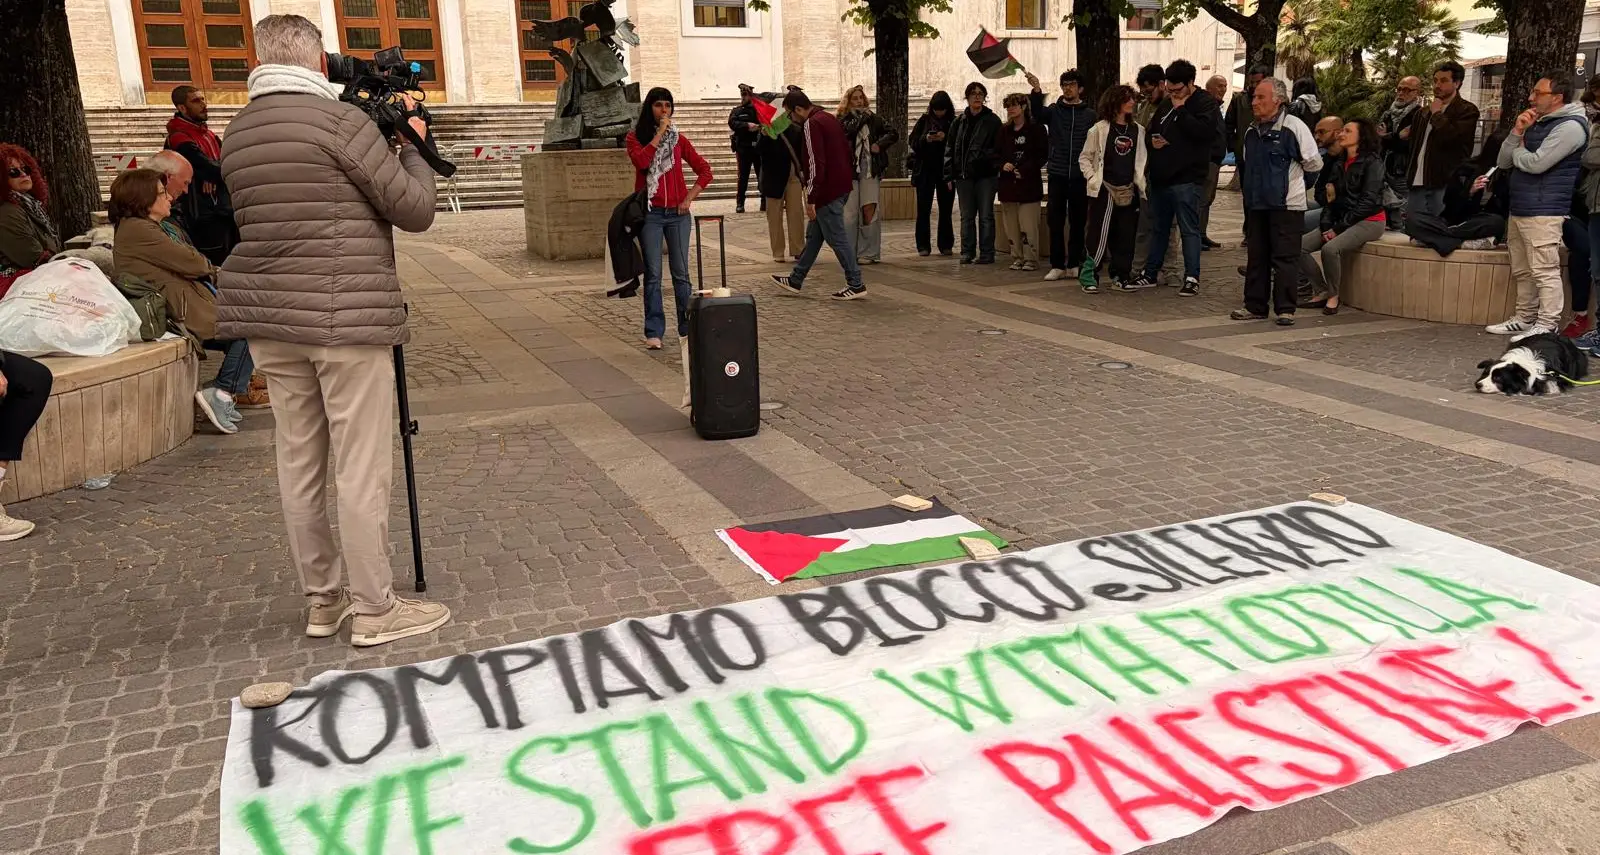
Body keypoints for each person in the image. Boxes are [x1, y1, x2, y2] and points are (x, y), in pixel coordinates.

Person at [215, 14, 449, 646]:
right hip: (345, 318)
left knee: (299, 463)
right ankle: (375, 609)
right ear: (320, 63)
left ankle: (323, 601)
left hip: (272, 319)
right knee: (361, 467)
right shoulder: (339, 123)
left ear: (259, 63)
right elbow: (414, 208)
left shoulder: (237, 133)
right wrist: (412, 144)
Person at [108, 168, 260, 434]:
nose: (169, 197)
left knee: (248, 329)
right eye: (161, 193)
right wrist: (206, 267)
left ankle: (224, 391)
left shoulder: (144, 227)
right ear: (143, 199)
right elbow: (192, 262)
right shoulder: (139, 230)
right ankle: (221, 392)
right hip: (177, 310)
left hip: (184, 302)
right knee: (250, 330)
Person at [1487, 71, 1591, 339]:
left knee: (1544, 271)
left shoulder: (1570, 127)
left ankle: (1547, 323)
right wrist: (1517, 132)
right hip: (1521, 206)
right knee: (1523, 270)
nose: (1531, 97)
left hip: (1545, 210)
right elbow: (1503, 161)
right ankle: (1524, 318)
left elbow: (1537, 164)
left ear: (1557, 97)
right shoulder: (1537, 122)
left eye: (1538, 93)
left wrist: (1520, 150)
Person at [626, 88, 713, 349]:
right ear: (649, 108)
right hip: (651, 214)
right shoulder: (635, 138)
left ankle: (687, 328)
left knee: (681, 273)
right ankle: (654, 331)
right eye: (658, 105)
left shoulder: (679, 140)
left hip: (677, 215)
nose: (664, 110)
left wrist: (689, 198)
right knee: (653, 273)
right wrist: (659, 134)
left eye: (668, 105)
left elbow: (705, 171)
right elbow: (642, 163)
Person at [1234, 77, 1323, 326]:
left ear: (1278, 100)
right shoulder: (1251, 131)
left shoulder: (1294, 127)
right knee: (1257, 257)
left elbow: (1313, 163)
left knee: (1285, 258)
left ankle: (1285, 309)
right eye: (1254, 97)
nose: (1254, 102)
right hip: (1257, 205)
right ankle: (1255, 306)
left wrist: (1295, 188)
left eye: (1260, 97)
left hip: (1286, 206)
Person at [1130, 59, 1219, 297]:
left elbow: (1204, 133)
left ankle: (1192, 277)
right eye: (1170, 90)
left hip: (1187, 178)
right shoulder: (1166, 103)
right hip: (1161, 177)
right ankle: (1150, 272)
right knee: (1159, 228)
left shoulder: (1204, 103)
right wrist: (1154, 141)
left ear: (1190, 83)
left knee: (1189, 229)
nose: (1173, 94)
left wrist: (1181, 110)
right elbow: (1151, 129)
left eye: (1178, 89)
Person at [771, 88, 866, 299]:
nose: (789, 119)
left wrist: (811, 197)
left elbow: (815, 162)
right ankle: (796, 278)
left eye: (789, 114)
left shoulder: (811, 124)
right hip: (840, 185)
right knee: (814, 236)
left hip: (827, 191)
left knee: (837, 238)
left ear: (798, 109)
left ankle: (856, 283)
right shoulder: (828, 118)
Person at [1298, 118, 1387, 315]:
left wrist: (1338, 229)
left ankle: (1333, 296)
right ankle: (1321, 290)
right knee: (1298, 247)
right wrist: (1326, 224)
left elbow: (1368, 202)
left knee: (1330, 249)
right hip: (1341, 218)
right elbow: (1330, 199)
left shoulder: (1373, 162)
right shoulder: (1339, 163)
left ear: (1361, 137)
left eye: (1347, 131)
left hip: (1369, 221)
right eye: (1342, 131)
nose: (1341, 134)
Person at [1025, 69, 1094, 280]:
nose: (1068, 88)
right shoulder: (1054, 111)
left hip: (1080, 175)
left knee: (1078, 221)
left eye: (1072, 84)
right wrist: (1037, 90)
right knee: (1055, 220)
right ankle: (1057, 265)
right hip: (1057, 172)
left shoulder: (1090, 115)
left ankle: (1074, 263)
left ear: (1080, 88)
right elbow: (1037, 114)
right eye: (1064, 85)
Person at [1078, 84, 1146, 294]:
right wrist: (1092, 178)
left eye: (1132, 98)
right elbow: (1085, 158)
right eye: (1127, 99)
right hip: (1104, 188)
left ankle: (1121, 275)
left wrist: (1140, 185)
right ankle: (1089, 275)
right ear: (1115, 102)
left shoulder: (1138, 130)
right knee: (1098, 234)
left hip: (1128, 189)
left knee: (1125, 235)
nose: (1132, 102)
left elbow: (1141, 160)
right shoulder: (1098, 129)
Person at [165, 85, 239, 266]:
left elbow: (227, 161)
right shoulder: (179, 136)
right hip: (201, 214)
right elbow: (207, 167)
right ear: (182, 108)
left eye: (203, 99)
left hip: (221, 208)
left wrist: (214, 176)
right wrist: (211, 174)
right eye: (196, 101)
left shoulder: (208, 135)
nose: (203, 104)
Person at [1405, 61, 1480, 224]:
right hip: (1418, 180)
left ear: (1457, 83)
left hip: (1445, 181)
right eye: (1435, 80)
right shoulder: (1422, 113)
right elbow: (1414, 146)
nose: (1437, 85)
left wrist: (1437, 114)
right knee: (1414, 226)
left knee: (1441, 226)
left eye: (1444, 81)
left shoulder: (1467, 110)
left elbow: (1452, 137)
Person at [837, 86, 898, 265]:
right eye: (855, 99)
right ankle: (848, 252)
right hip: (849, 171)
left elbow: (893, 133)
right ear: (848, 102)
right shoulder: (842, 120)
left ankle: (869, 252)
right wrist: (861, 117)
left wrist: (880, 144)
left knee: (869, 209)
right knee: (849, 213)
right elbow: (848, 132)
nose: (859, 101)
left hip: (870, 169)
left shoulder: (874, 119)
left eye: (861, 98)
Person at [945, 81, 1003, 265]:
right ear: (967, 97)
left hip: (985, 176)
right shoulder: (959, 122)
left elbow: (999, 148)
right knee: (966, 216)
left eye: (980, 93)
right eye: (973, 93)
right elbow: (950, 149)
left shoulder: (992, 121)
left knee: (985, 216)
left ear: (984, 97)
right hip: (964, 177)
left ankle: (987, 252)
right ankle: (967, 251)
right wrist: (948, 174)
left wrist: (985, 158)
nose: (977, 97)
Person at [995, 93, 1047, 272]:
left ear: (1024, 107)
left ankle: (1030, 258)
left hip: (1029, 185)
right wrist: (1003, 165)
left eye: (1014, 105)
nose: (1010, 109)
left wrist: (1025, 169)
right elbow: (995, 154)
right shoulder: (1004, 131)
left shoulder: (1036, 129)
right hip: (1008, 185)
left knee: (1028, 225)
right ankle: (1017, 256)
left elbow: (1042, 155)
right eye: (1008, 106)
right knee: (1011, 226)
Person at [0, 144, 59, 295]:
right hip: (20, 291)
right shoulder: (7, 212)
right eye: (13, 172)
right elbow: (32, 258)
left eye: (25, 169)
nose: (23, 174)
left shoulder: (29, 205)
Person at [909, 91, 955, 257]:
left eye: (942, 110)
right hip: (925, 171)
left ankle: (946, 244)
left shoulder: (953, 122)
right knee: (923, 209)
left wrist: (945, 138)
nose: (939, 113)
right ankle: (923, 245)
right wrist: (926, 139)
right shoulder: (924, 121)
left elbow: (958, 144)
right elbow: (913, 141)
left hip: (946, 171)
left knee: (946, 209)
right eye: (936, 110)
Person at [756, 117, 806, 263]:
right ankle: (778, 251)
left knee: (796, 213)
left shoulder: (795, 129)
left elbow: (801, 153)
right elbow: (759, 151)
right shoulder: (767, 130)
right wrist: (764, 136)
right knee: (774, 216)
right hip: (772, 177)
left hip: (792, 175)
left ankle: (798, 249)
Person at [1378, 76, 1423, 226]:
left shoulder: (1419, 115)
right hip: (1384, 165)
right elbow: (1380, 139)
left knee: (1402, 205)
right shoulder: (1388, 113)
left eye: (1407, 90)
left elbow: (1410, 144)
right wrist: (1395, 137)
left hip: (1403, 168)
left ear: (1416, 93)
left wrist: (1388, 137)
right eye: (1399, 89)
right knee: (1385, 201)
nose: (1401, 93)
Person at [1226, 64, 1273, 203]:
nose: (1254, 85)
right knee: (1248, 195)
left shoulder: (1275, 100)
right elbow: (1228, 124)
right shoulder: (1239, 99)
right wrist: (1235, 146)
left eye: (1258, 82)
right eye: (1252, 82)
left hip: (1268, 155)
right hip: (1245, 155)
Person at [1201, 74, 1229, 248]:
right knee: (1203, 199)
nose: (1223, 89)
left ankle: (1202, 234)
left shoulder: (1216, 106)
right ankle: (1197, 236)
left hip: (1215, 160)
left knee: (1208, 198)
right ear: (1209, 88)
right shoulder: (1207, 105)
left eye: (1225, 86)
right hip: (1208, 160)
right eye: (1219, 86)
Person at [728, 84, 763, 214]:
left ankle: (764, 202)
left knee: (761, 176)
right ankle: (740, 203)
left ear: (751, 96)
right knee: (743, 177)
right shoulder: (737, 111)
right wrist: (747, 125)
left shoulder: (759, 110)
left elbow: (766, 122)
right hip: (743, 148)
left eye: (745, 95)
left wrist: (758, 127)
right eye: (742, 95)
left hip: (758, 147)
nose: (743, 97)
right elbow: (732, 123)